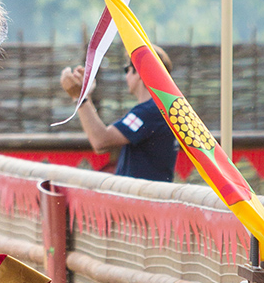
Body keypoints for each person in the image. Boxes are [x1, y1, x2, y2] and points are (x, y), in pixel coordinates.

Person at [60, 46, 178, 183]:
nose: (126, 75)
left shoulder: (150, 111)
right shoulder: (157, 110)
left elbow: (100, 141)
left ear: (139, 71)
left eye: (126, 69)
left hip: (142, 200)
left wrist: (80, 97)